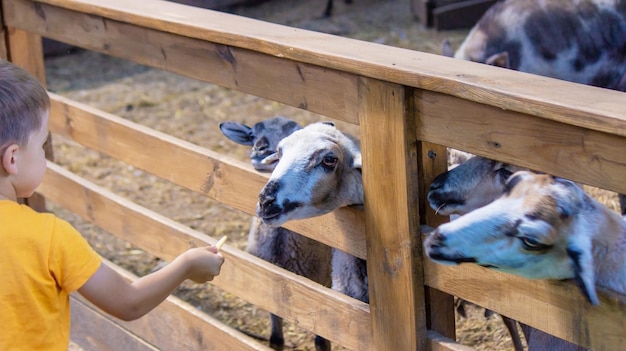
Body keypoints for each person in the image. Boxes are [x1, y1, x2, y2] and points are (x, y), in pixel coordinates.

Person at [0, 59, 226, 350]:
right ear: (13, 159)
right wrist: (186, 265)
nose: (45, 155)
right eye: (43, 144)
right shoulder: (47, 237)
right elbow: (127, 302)